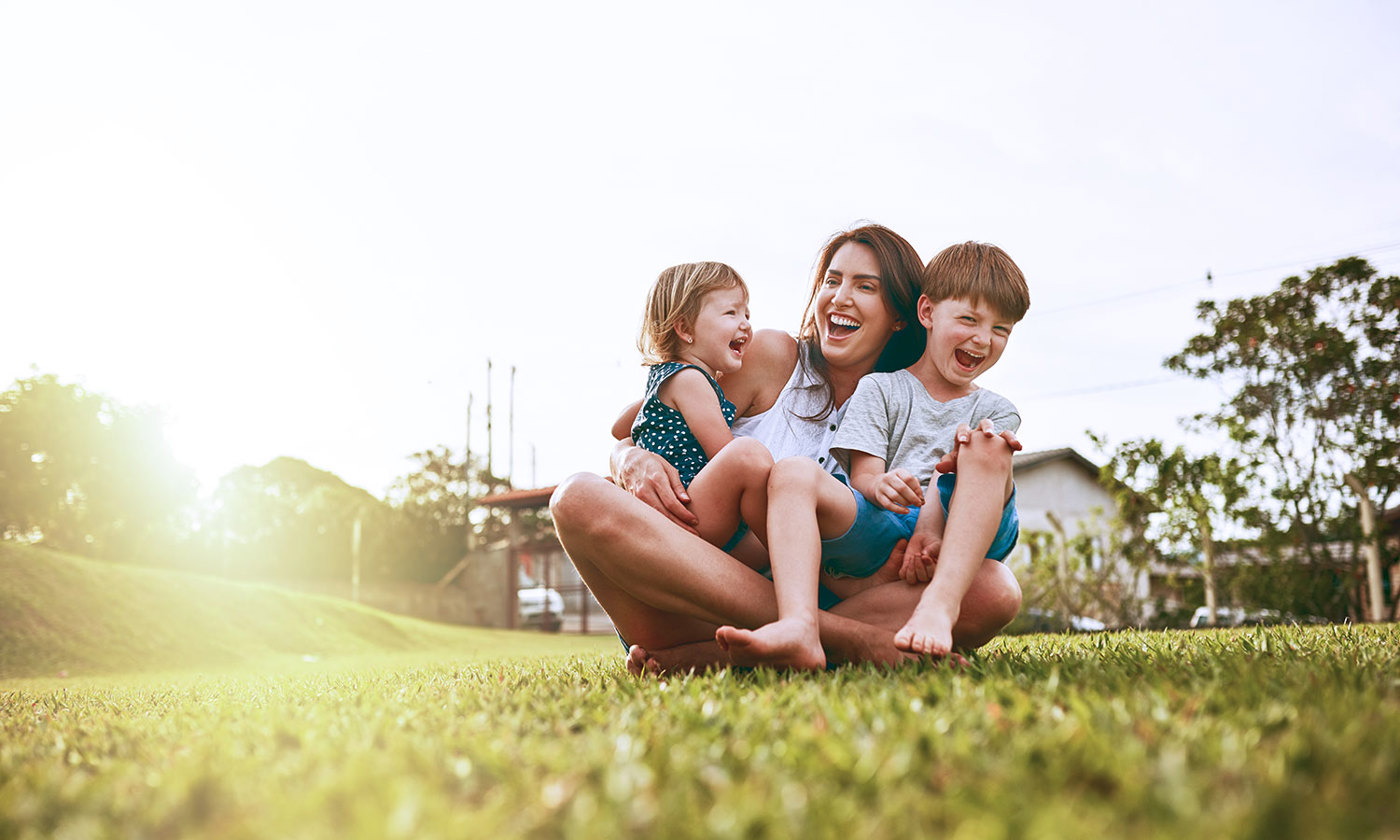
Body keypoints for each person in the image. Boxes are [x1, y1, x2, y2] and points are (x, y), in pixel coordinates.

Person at [550, 224, 1024, 674]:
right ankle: (847, 640)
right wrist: (629, 457)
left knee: (994, 589)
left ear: (902, 316)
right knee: (575, 497)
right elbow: (659, 409)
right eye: (832, 280)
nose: (839, 297)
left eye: (864, 286)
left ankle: (733, 650)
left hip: (832, 599)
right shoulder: (771, 357)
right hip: (688, 593)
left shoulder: (914, 406)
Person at [715, 242, 1029, 669]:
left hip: (964, 531)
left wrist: (932, 529)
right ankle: (798, 626)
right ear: (927, 313)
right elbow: (863, 475)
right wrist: (878, 484)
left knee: (984, 447)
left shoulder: (995, 409)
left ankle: (939, 606)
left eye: (1000, 330)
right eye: (969, 320)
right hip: (888, 525)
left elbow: (958, 479)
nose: (982, 338)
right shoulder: (880, 388)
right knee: (792, 473)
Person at [628, 261, 772, 560]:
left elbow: (621, 428)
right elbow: (725, 452)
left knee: (781, 548)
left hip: (685, 515)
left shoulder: (665, 377)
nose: (745, 323)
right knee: (748, 456)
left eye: (747, 313)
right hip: (690, 512)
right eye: (731, 313)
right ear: (684, 328)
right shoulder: (692, 380)